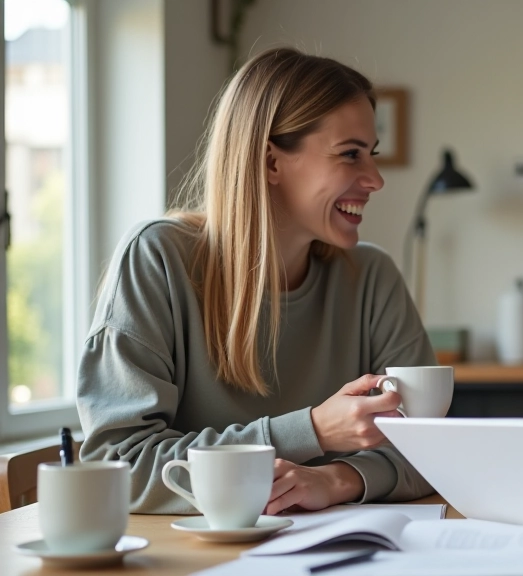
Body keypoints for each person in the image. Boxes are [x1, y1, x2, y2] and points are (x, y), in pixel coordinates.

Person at [77, 48, 434, 514]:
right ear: (271, 163)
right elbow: (116, 463)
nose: (375, 180)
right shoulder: (158, 259)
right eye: (350, 155)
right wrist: (312, 431)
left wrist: (335, 479)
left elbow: (432, 449)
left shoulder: (372, 277)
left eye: (372, 155)